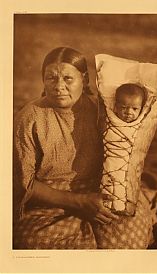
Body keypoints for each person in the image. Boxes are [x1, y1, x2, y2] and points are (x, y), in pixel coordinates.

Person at [13, 47, 119, 249]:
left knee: (126, 236)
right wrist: (79, 202)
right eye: (51, 78)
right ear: (43, 81)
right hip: (49, 203)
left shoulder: (102, 113)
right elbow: (25, 184)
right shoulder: (29, 118)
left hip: (100, 196)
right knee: (36, 242)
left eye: (68, 79)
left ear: (85, 80)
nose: (59, 86)